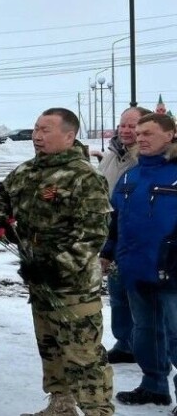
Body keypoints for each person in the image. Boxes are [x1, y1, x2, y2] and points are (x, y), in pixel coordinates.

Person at [0, 108, 113, 416]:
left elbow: (93, 235)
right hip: (38, 280)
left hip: (73, 286)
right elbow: (4, 195)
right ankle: (61, 406)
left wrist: (55, 266)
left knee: (83, 355)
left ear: (69, 136)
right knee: (51, 347)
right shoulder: (29, 170)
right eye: (36, 129)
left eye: (46, 130)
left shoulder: (85, 177)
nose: (37, 136)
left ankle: (99, 411)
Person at [99, 113, 177, 407]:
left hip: (171, 270)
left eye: (150, 133)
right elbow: (116, 220)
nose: (141, 138)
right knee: (146, 333)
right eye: (139, 133)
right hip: (136, 268)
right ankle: (154, 385)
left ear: (170, 135)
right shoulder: (131, 175)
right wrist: (107, 253)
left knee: (175, 335)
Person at [93, 107, 151, 364]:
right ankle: (125, 343)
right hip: (110, 234)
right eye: (123, 125)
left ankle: (148, 352)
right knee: (117, 295)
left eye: (133, 126)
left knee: (141, 300)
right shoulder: (111, 155)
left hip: (137, 238)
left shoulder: (147, 159)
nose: (126, 130)